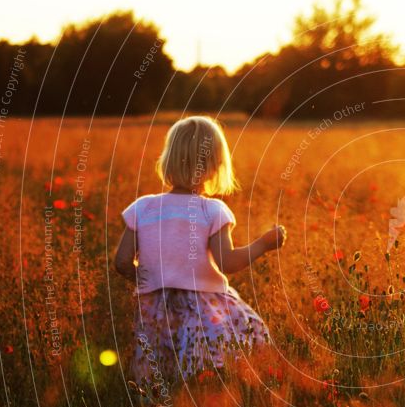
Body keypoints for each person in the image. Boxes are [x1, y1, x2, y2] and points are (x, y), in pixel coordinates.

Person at [114, 116, 285, 392]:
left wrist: (151, 284)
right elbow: (227, 263)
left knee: (160, 371)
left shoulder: (143, 208)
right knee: (235, 348)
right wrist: (263, 244)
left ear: (168, 160)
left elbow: (122, 262)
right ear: (214, 166)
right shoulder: (211, 210)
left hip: (155, 308)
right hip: (203, 308)